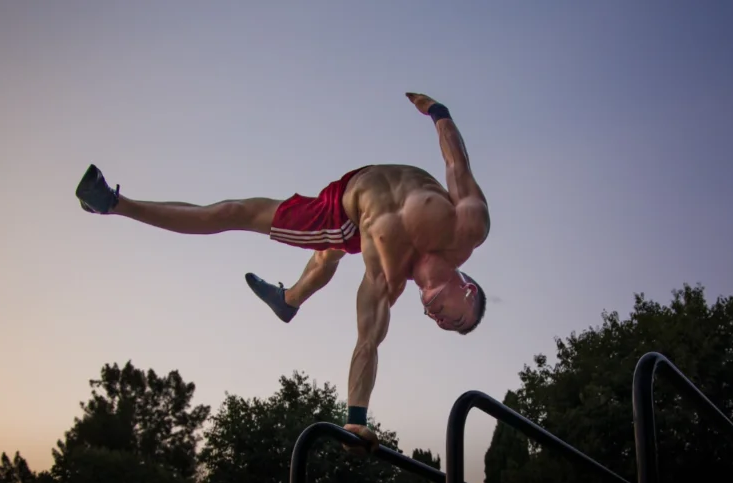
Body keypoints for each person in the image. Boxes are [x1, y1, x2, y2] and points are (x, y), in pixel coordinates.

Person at [74, 92, 489, 450]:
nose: (439, 320)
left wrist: (356, 419)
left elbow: (367, 343)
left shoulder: (387, 278)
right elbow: (457, 163)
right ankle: (288, 300)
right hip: (360, 193)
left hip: (346, 211)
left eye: (443, 326)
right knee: (325, 254)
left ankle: (113, 204)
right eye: (454, 318)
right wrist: (439, 111)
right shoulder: (469, 228)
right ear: (466, 288)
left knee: (243, 214)